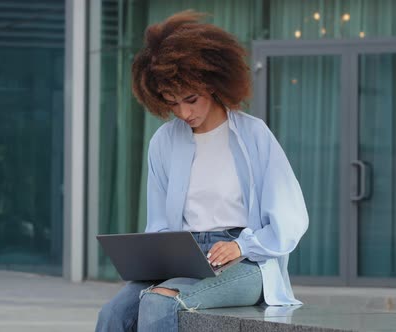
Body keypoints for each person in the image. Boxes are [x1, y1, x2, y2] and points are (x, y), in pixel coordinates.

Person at [96, 10, 309, 332]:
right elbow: (160, 224)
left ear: (210, 82)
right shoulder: (164, 141)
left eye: (191, 99)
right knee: (113, 313)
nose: (183, 112)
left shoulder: (253, 135)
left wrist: (241, 246)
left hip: (247, 260)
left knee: (158, 302)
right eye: (172, 103)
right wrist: (161, 254)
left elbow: (291, 216)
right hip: (184, 257)